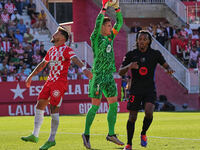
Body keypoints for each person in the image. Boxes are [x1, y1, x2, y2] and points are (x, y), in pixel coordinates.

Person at [21, 26, 93, 150]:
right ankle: (35, 135)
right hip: (49, 81)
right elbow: (42, 64)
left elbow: (75, 59)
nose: (54, 34)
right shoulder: (52, 50)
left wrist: (84, 69)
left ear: (63, 38)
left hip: (59, 83)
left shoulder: (66, 49)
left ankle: (51, 139)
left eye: (57, 33)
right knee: (39, 105)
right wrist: (31, 76)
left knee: (54, 108)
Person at [118, 30, 174, 150]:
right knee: (132, 117)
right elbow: (120, 71)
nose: (142, 41)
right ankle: (129, 144)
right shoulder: (131, 54)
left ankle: (143, 133)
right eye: (140, 39)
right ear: (137, 41)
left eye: (145, 39)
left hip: (149, 89)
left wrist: (169, 69)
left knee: (149, 112)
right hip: (135, 90)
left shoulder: (155, 54)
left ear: (149, 41)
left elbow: (165, 65)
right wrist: (129, 66)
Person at [81, 0, 124, 149]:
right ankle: (86, 134)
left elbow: (120, 23)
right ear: (101, 27)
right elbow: (98, 21)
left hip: (109, 76)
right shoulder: (96, 37)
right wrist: (104, 7)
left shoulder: (109, 38)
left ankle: (111, 134)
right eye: (108, 25)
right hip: (98, 75)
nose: (111, 27)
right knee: (95, 106)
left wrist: (117, 8)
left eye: (110, 25)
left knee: (114, 104)